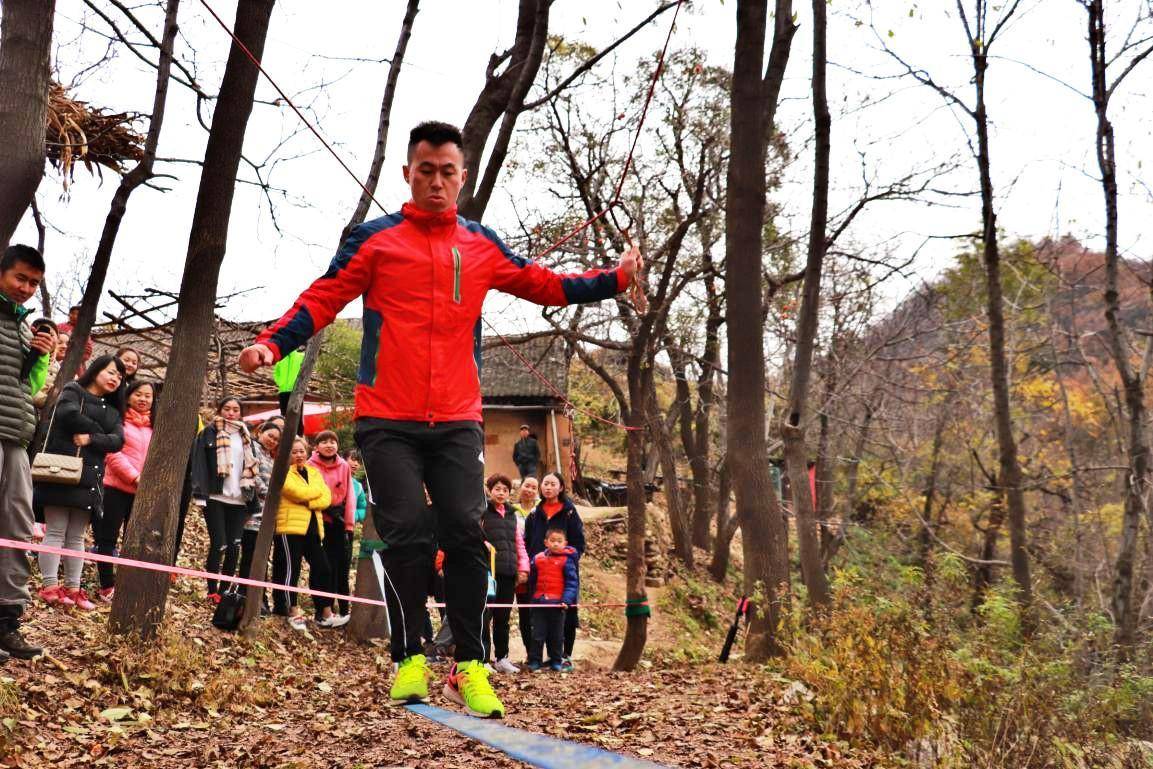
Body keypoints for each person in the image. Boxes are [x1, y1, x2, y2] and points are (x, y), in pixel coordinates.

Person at [239, 120, 639, 718]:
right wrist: (273, 343)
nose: (436, 181)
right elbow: (322, 297)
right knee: (407, 535)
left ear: (462, 178)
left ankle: (470, 666)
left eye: (447, 172)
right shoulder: (375, 240)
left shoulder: (479, 244)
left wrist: (614, 280)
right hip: (387, 418)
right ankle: (408, 659)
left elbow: (546, 285)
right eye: (425, 170)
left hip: (456, 419)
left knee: (465, 533)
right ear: (408, 173)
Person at [34, 355, 125, 611]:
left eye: (119, 376)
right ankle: (49, 585)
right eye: (110, 372)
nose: (115, 379)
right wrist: (102, 433)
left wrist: (92, 438)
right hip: (59, 470)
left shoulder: (114, 410)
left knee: (76, 536)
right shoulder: (73, 390)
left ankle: (73, 588)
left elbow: (118, 441)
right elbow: (67, 414)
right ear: (95, 370)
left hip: (90, 477)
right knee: (55, 530)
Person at [0, 245, 55, 660]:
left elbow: (30, 388)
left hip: (16, 439)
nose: (26, 288)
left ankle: (7, 621)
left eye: (34, 283)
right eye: (21, 278)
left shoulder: (22, 327)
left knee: (17, 527)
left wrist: (40, 356)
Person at [271, 436, 348, 630]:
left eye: (301, 451)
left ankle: (325, 613)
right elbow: (296, 492)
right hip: (290, 527)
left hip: (313, 527)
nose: (298, 455)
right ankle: (291, 610)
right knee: (291, 570)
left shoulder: (313, 472)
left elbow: (327, 497)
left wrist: (309, 500)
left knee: (324, 569)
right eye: (294, 451)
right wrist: (313, 495)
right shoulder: (282, 472)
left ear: (307, 452)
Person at [190, 396, 259, 602]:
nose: (231, 413)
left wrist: (252, 503)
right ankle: (212, 589)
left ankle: (225, 590)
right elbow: (199, 463)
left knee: (234, 546)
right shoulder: (209, 433)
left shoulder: (246, 437)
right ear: (220, 410)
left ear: (241, 413)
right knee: (219, 543)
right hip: (215, 497)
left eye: (235, 410)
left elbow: (252, 469)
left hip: (240, 499)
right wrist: (200, 493)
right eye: (227, 409)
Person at [94, 379, 156, 602]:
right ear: (128, 396)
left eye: (148, 395)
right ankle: (107, 586)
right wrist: (134, 477)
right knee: (107, 538)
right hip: (115, 487)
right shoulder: (118, 421)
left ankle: (127, 584)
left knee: (136, 540)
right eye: (139, 394)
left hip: (142, 492)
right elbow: (112, 453)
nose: (143, 399)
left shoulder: (154, 426)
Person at [524, 473, 585, 667]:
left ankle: (563, 655)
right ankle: (533, 657)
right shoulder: (535, 513)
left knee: (565, 615)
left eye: (553, 484)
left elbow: (578, 544)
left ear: (560, 488)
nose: (548, 487)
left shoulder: (569, 512)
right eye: (546, 484)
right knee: (535, 616)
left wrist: (564, 556)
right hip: (539, 573)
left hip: (562, 574)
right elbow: (527, 542)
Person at [480, 474, 529, 674]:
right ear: (490, 490)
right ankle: (482, 659)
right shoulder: (482, 512)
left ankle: (502, 658)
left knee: (503, 617)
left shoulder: (512, 515)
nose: (501, 493)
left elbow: (519, 543)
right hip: (487, 572)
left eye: (505, 490)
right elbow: (476, 536)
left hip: (508, 572)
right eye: (497, 489)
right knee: (485, 616)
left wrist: (523, 568)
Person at [310, 430, 356, 616]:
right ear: (316, 446)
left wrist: (349, 523)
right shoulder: (309, 465)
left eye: (333, 442)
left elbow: (350, 494)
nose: (329, 445)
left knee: (342, 567)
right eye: (324, 442)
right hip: (318, 520)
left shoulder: (344, 466)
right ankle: (322, 609)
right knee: (322, 567)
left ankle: (345, 611)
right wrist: (325, 507)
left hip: (339, 522)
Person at [236, 420, 281, 605]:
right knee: (249, 557)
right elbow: (250, 476)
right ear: (260, 431)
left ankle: (258, 597)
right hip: (251, 514)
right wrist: (269, 494)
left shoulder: (271, 457)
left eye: (276, 439)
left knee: (261, 558)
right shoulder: (251, 449)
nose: (272, 441)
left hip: (266, 518)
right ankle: (244, 596)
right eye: (270, 435)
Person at [525, 527, 579, 673]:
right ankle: (535, 660)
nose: (556, 544)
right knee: (537, 634)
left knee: (557, 635)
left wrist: (566, 600)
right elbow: (532, 580)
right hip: (539, 604)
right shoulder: (537, 559)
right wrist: (533, 598)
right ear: (546, 542)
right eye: (552, 541)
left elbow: (572, 583)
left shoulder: (567, 560)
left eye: (559, 541)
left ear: (565, 543)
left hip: (558, 605)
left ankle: (556, 660)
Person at [511, 475, 539, 654]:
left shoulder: (540, 512)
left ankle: (540, 652)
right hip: (518, 566)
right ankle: (530, 652)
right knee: (524, 611)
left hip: (539, 568)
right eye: (526, 486)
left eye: (533, 487)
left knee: (539, 613)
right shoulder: (510, 511)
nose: (529, 490)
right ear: (520, 488)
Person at [346, 449, 368, 527]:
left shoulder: (358, 486)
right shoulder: (334, 478)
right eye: (353, 460)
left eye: (358, 462)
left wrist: (355, 515)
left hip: (348, 527)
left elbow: (362, 508)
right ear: (343, 459)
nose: (356, 464)